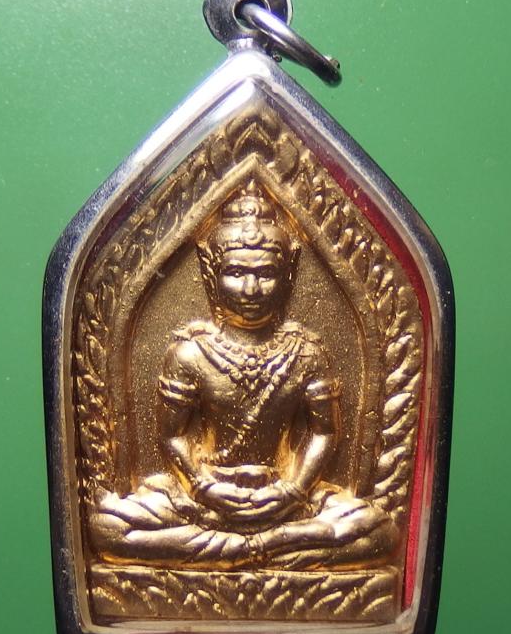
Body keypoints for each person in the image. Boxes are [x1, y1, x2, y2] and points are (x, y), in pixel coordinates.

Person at [90, 183, 399, 570]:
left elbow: (324, 433)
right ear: (211, 272)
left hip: (285, 500)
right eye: (236, 273)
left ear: (288, 274)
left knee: (380, 531)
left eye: (266, 274)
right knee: (107, 527)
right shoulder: (190, 354)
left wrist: (293, 490)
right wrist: (204, 486)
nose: (251, 289)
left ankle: (242, 548)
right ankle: (269, 547)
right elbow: (172, 435)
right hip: (204, 497)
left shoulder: (306, 353)